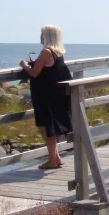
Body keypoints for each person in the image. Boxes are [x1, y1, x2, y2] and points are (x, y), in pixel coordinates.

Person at [20, 25, 73, 169]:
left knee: (46, 128)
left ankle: (52, 160)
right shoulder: (58, 52)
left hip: (46, 96)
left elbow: (34, 73)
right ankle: (56, 157)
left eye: (42, 34)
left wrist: (24, 65)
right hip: (55, 94)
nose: (40, 36)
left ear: (47, 36)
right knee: (49, 128)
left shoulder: (46, 52)